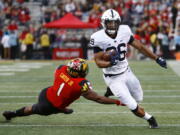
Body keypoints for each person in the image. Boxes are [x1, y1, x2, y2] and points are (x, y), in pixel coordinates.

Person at [89, 9, 167, 129]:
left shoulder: (124, 30)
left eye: (115, 22)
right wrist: (110, 63)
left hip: (126, 71)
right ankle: (150, 119)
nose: (113, 25)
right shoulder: (98, 37)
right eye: (110, 22)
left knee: (139, 98)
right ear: (104, 23)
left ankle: (110, 90)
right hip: (113, 77)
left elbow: (140, 47)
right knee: (132, 104)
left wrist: (157, 58)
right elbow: (98, 62)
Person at [2, 58, 123, 121]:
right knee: (32, 109)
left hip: (46, 92)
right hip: (49, 106)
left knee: (60, 94)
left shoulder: (62, 69)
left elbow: (64, 75)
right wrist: (117, 102)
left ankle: (62, 108)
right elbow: (98, 98)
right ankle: (13, 114)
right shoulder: (81, 84)